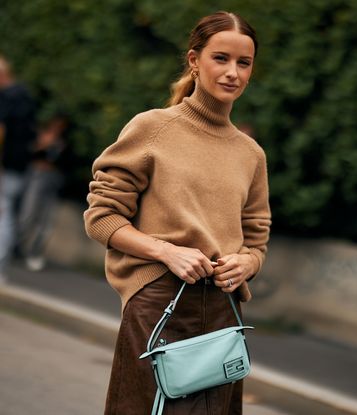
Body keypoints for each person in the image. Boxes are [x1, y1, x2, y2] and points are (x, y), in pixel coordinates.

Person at [84, 11, 271, 415]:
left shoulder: (251, 154)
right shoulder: (153, 128)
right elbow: (102, 218)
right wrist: (167, 252)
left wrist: (245, 263)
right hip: (159, 302)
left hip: (223, 310)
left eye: (244, 63)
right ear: (193, 60)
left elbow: (256, 239)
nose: (232, 73)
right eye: (220, 58)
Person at [17, 113, 70, 271]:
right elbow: (28, 154)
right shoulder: (40, 135)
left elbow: (67, 164)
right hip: (36, 177)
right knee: (27, 215)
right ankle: (17, 247)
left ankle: (35, 252)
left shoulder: (65, 143)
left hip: (52, 181)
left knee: (45, 222)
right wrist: (42, 145)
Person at [0, 55, 36, 281]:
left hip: (4, 166)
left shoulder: (6, 98)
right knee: (7, 214)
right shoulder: (25, 96)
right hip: (19, 166)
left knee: (4, 215)